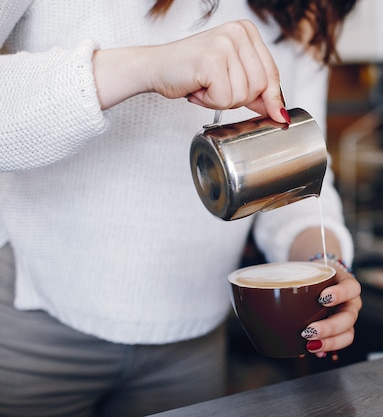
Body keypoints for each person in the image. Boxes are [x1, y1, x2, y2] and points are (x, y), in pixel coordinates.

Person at [0, 0, 362, 415]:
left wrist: (323, 268)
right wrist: (147, 67)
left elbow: (294, 174)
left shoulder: (302, 8)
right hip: (33, 319)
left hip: (195, 339)